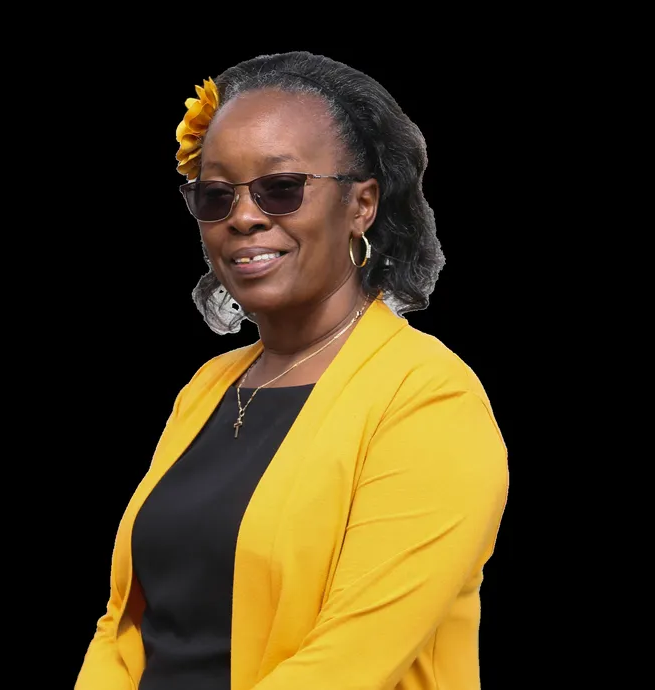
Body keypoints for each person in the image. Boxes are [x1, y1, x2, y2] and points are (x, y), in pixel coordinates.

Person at [76, 51, 509, 690]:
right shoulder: (207, 388)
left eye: (281, 187)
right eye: (216, 195)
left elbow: (347, 663)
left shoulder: (429, 400)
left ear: (362, 204)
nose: (244, 216)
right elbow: (124, 625)